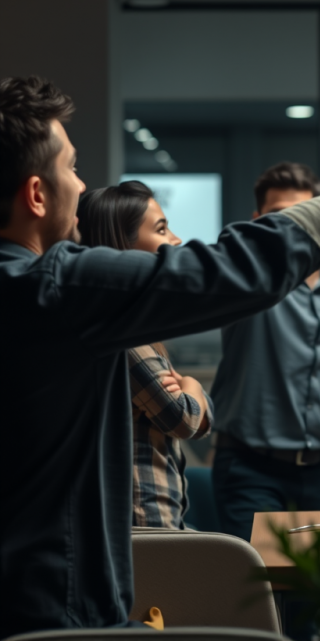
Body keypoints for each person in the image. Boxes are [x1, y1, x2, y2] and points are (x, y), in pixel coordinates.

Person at [0, 43, 320, 639]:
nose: (82, 184)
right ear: (37, 194)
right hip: (55, 618)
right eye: (72, 167)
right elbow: (242, 265)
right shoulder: (57, 289)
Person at [211, 161, 320, 540]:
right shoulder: (247, 276)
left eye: (305, 214)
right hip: (250, 468)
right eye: (279, 217)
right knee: (256, 596)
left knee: (315, 597)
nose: (294, 226)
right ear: (258, 220)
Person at [77, 180, 214, 529]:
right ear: (123, 246)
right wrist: (193, 386)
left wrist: (190, 398)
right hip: (145, 525)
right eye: (162, 229)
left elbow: (201, 423)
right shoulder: (123, 337)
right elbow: (183, 419)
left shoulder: (134, 329)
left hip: (156, 523)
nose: (177, 240)